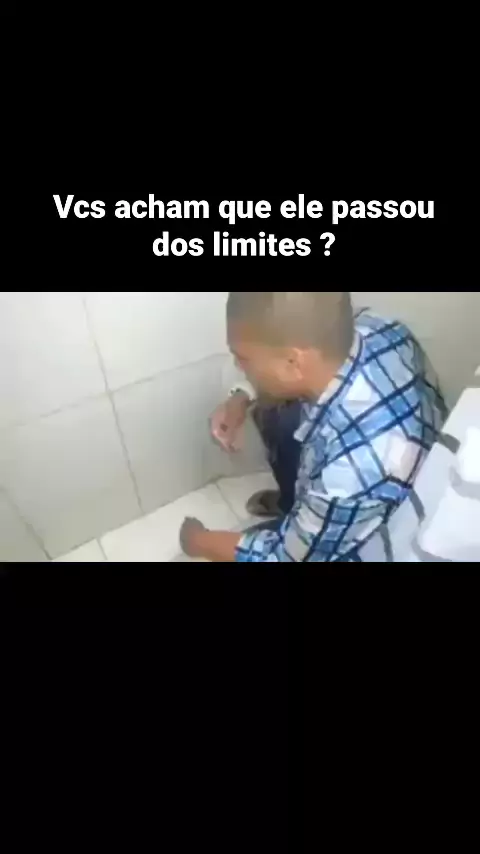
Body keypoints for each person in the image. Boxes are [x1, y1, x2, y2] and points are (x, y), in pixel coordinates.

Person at [180, 292, 447, 563]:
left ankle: (312, 519)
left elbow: (279, 557)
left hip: (377, 537)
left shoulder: (346, 475)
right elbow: (290, 353)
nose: (238, 365)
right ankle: (298, 508)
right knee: (275, 409)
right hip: (380, 478)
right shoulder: (381, 328)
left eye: (243, 358)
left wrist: (199, 541)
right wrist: (241, 397)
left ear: (293, 363)